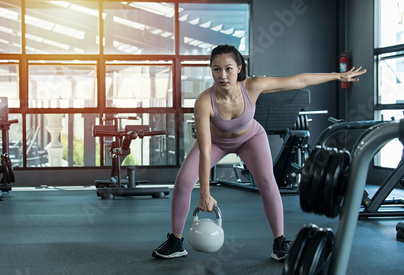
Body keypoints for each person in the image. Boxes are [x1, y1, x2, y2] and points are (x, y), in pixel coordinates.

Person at [152, 44, 366, 261]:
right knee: (183, 180)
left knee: (266, 181)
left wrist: (338, 76)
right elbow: (205, 150)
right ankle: (176, 242)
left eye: (228, 68)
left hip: (250, 138)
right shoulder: (204, 101)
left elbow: (298, 81)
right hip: (216, 142)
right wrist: (205, 194)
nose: (222, 75)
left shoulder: (253, 85)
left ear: (239, 68)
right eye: (216, 69)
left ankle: (279, 242)